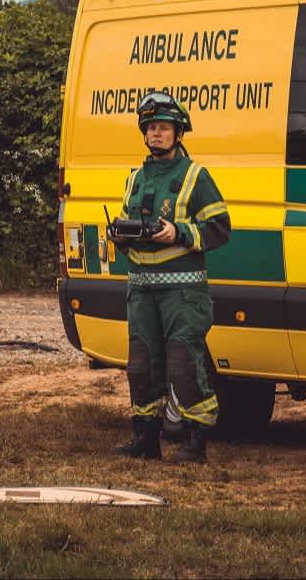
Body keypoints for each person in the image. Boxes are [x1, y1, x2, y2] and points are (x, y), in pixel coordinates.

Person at [108, 91, 231, 463]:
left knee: (183, 365)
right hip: (141, 288)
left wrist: (178, 232)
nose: (156, 134)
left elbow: (220, 228)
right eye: (151, 128)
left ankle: (195, 443)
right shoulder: (135, 178)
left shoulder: (196, 175)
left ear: (179, 133)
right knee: (141, 367)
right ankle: (145, 441)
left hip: (182, 289)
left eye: (164, 128)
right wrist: (120, 235)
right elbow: (129, 221)